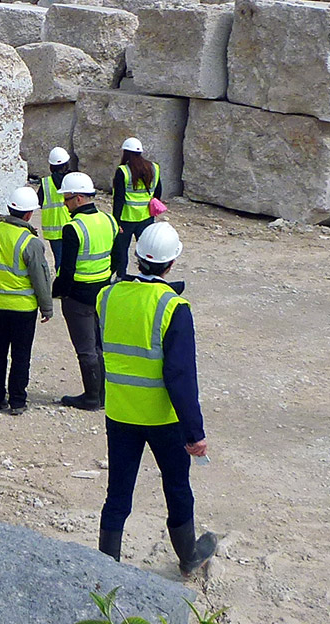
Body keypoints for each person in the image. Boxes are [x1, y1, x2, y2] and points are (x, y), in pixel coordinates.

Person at [95, 221, 217, 576]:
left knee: (117, 493)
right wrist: (195, 433)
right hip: (163, 419)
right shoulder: (173, 307)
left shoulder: (108, 295)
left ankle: (106, 568)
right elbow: (180, 376)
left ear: (137, 257)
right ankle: (188, 557)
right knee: (177, 488)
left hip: (120, 413)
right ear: (172, 262)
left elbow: (107, 347)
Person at [0, 186, 55, 414]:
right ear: (28, 214)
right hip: (22, 307)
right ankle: (17, 401)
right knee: (20, 355)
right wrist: (47, 308)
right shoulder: (30, 242)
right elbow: (40, 278)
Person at [54, 171, 117, 411]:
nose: (65, 204)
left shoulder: (74, 228)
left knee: (86, 348)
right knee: (101, 346)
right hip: (102, 292)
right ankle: (104, 394)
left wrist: (59, 292)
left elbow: (67, 270)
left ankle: (92, 397)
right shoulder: (109, 221)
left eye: (67, 199)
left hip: (78, 296)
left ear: (79, 199)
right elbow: (117, 258)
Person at [111, 138, 163, 277]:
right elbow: (157, 193)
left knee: (122, 250)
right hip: (146, 217)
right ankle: (150, 276)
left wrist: (116, 221)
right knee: (147, 249)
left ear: (126, 153)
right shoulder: (154, 168)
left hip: (126, 219)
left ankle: (121, 277)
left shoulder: (123, 171)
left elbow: (119, 199)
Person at [38, 147, 76, 238]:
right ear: (67, 164)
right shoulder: (74, 180)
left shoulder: (45, 183)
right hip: (73, 228)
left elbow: (39, 202)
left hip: (53, 233)